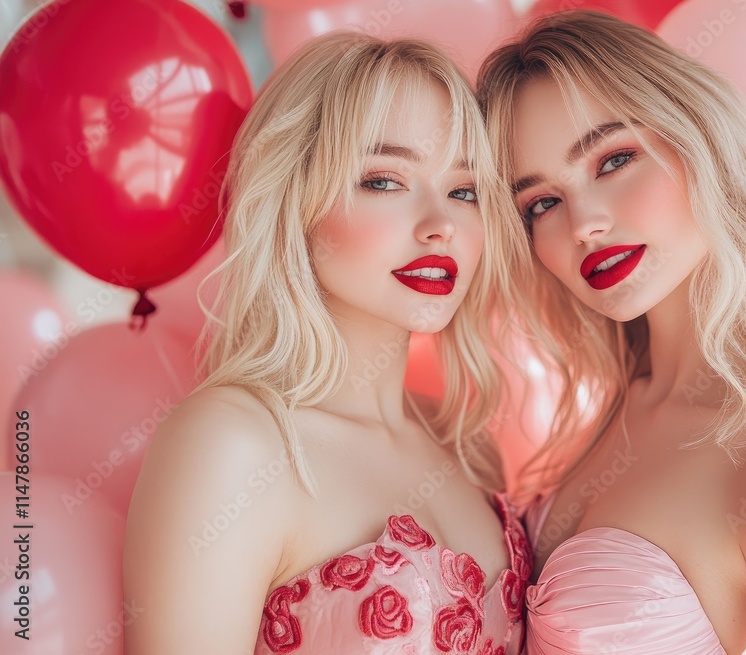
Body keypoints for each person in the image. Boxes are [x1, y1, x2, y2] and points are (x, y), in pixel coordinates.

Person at [477, 11, 746, 655]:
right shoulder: (616, 412)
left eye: (614, 158)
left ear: (702, 142)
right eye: (541, 201)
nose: (584, 223)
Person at [124, 31, 534, 655]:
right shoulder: (233, 443)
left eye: (463, 190)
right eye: (384, 181)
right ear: (296, 201)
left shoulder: (469, 446)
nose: (440, 226)